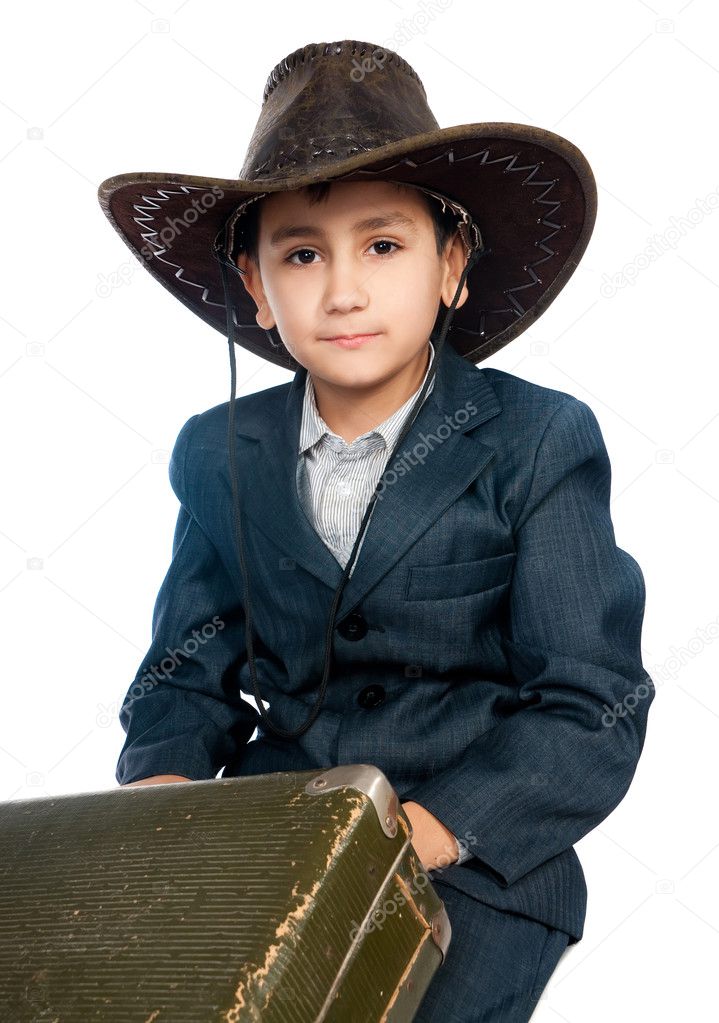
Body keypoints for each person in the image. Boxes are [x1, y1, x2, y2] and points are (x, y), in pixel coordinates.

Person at [99, 39, 655, 1021]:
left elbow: (590, 699)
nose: (342, 290)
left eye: (382, 245)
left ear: (449, 266)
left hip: (471, 862)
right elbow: (186, 671)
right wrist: (169, 794)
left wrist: (427, 831)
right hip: (271, 847)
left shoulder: (536, 440)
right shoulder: (221, 450)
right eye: (301, 253)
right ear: (257, 287)